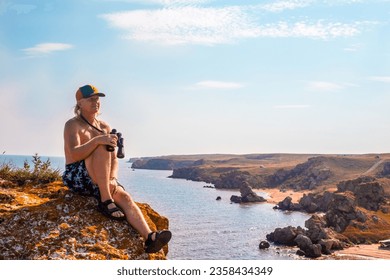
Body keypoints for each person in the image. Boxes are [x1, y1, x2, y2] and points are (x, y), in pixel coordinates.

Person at [62, 84, 171, 254]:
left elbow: (113, 158)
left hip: (101, 179)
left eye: (97, 99)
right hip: (78, 176)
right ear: (80, 103)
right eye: (91, 99)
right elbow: (74, 154)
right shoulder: (72, 125)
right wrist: (98, 141)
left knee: (125, 197)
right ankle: (106, 201)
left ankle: (150, 237)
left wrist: (112, 178)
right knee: (100, 145)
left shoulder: (104, 126)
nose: (96, 102)